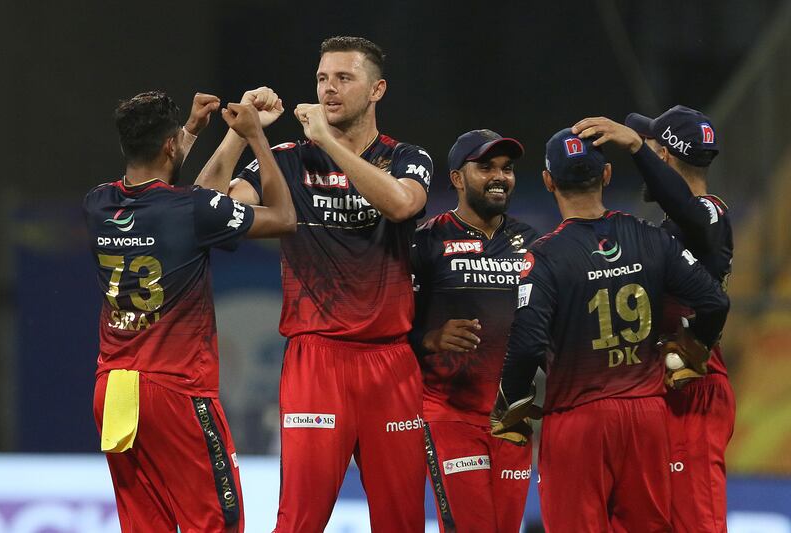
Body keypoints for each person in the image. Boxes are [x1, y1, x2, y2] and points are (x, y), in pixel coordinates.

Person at [196, 36, 432, 533]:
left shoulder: (407, 157)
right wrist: (243, 134)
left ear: (377, 90)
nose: (328, 89)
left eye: (344, 78)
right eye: (322, 78)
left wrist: (325, 140)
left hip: (391, 363)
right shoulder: (287, 159)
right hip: (316, 359)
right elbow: (202, 207)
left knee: (403, 521)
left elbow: (401, 205)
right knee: (300, 519)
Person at [492, 128, 730, 532]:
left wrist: (510, 406)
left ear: (549, 182)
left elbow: (528, 344)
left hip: (578, 419)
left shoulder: (545, 257)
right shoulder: (652, 237)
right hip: (648, 416)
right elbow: (715, 302)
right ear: (606, 175)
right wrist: (696, 347)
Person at [83, 90, 295, 532]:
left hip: (115, 391)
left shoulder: (98, 204)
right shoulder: (190, 210)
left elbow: (186, 200)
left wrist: (196, 132)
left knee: (147, 524)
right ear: (169, 146)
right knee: (218, 522)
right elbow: (282, 217)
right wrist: (254, 137)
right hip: (176, 391)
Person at [572, 106, 735, 532]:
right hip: (658, 389)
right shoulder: (676, 223)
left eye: (650, 147)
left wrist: (633, 147)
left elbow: (692, 215)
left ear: (663, 155)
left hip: (693, 385)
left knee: (693, 521)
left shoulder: (708, 213)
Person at [409, 129, 540, 533]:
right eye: (485, 167)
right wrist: (429, 338)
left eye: (506, 168)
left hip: (512, 418)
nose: (499, 176)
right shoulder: (427, 242)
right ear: (457, 178)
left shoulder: (534, 243)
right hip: (449, 415)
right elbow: (388, 330)